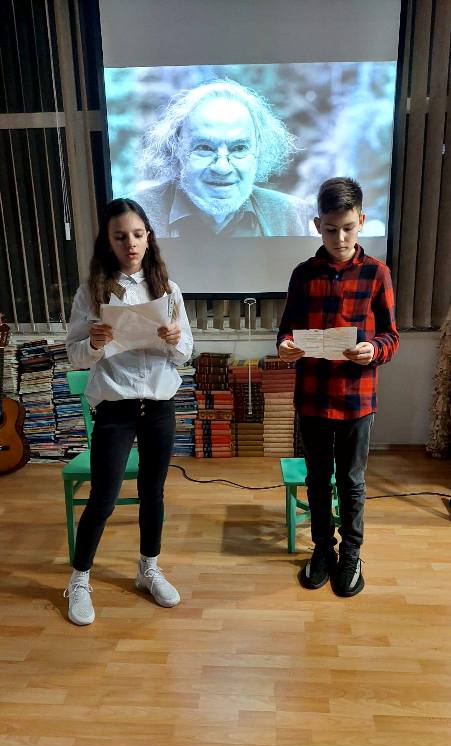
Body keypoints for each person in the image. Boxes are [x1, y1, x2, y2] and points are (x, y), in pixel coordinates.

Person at [64, 198, 193, 625]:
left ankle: (148, 568)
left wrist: (174, 339)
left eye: (137, 234)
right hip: (115, 408)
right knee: (103, 497)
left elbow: (185, 353)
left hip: (159, 405)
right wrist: (94, 343)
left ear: (149, 237)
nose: (131, 243)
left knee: (153, 493)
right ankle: (79, 578)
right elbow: (75, 355)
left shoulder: (168, 289)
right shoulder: (91, 291)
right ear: (108, 241)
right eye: (120, 237)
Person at [277, 177, 399, 597]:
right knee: (316, 479)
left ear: (361, 221)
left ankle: (351, 553)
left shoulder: (377, 273)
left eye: (348, 228)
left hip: (356, 400)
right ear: (317, 225)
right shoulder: (303, 275)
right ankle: (322, 550)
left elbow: (391, 337)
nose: (340, 238)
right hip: (312, 397)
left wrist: (373, 349)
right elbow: (285, 333)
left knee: (351, 481)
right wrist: (286, 348)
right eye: (331, 230)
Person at [135, 79, 311, 237]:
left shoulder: (291, 215)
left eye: (239, 148)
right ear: (176, 149)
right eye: (204, 148)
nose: (222, 168)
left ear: (258, 150)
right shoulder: (135, 213)